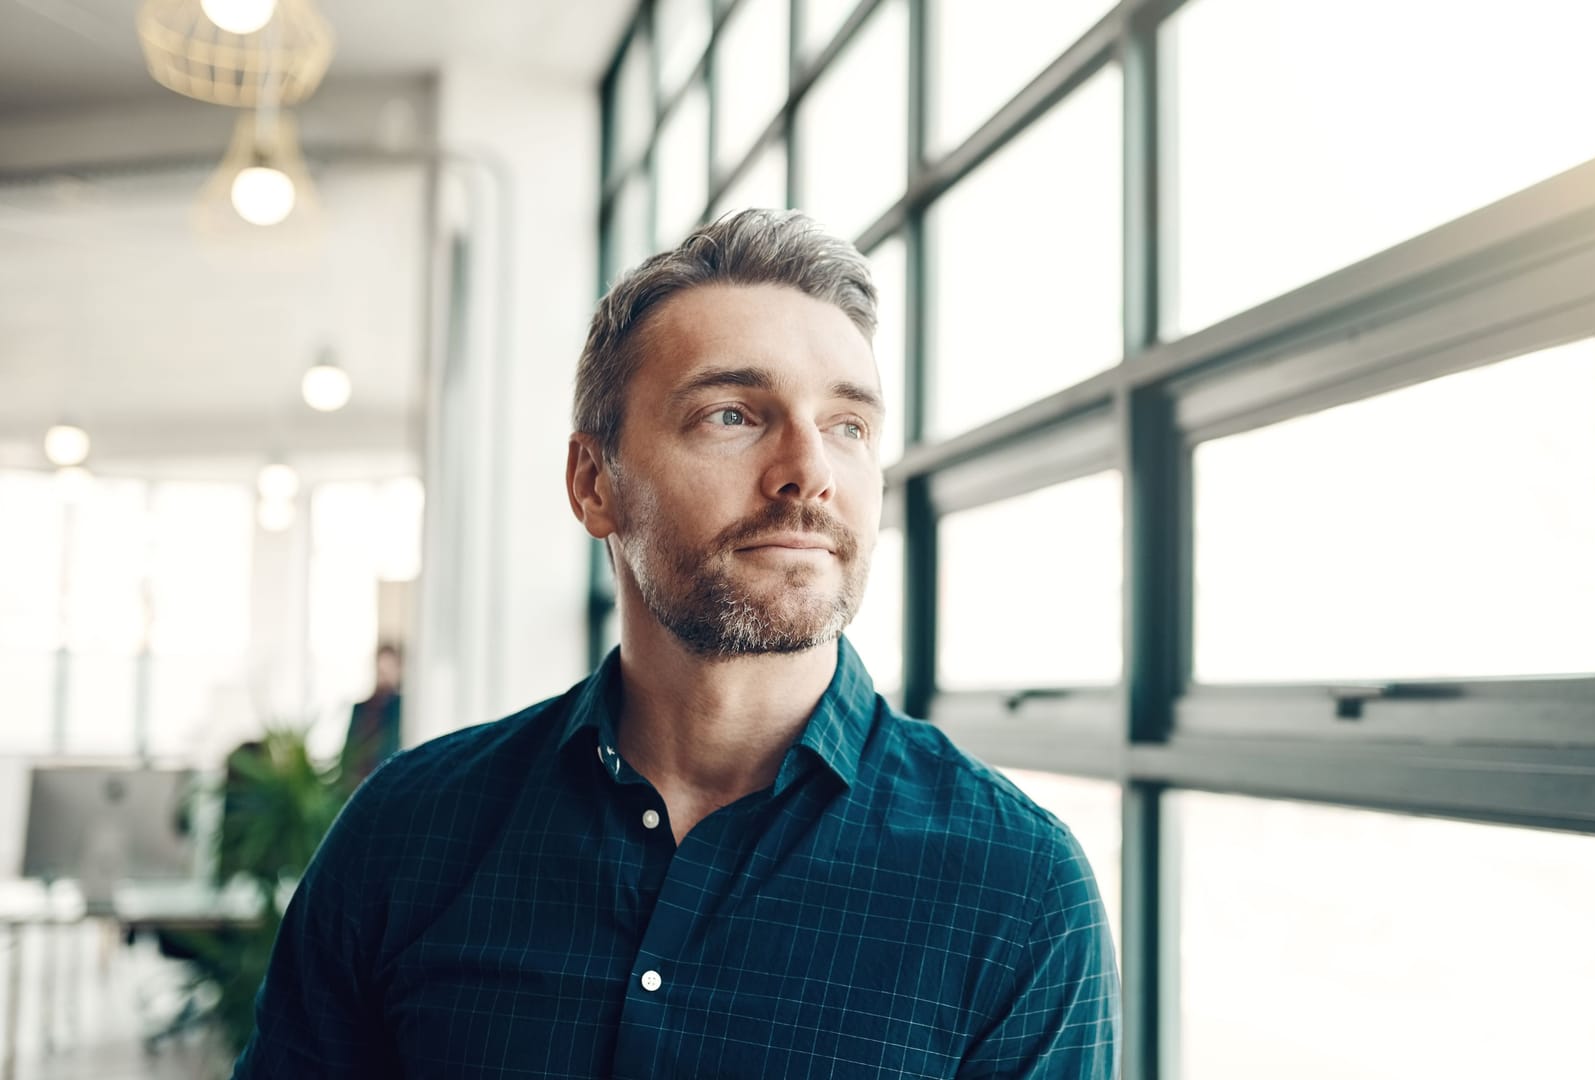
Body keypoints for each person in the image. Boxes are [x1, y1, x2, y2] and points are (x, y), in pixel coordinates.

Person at [233, 209, 1118, 1077]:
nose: (809, 470)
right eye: (733, 414)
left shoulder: (1018, 892)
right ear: (593, 484)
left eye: (848, 425)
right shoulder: (408, 833)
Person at [339, 643, 403, 787]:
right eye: (381, 671)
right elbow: (349, 749)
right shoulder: (361, 708)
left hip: (388, 780)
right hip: (357, 783)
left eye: (389, 670)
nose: (384, 677)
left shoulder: (401, 707)